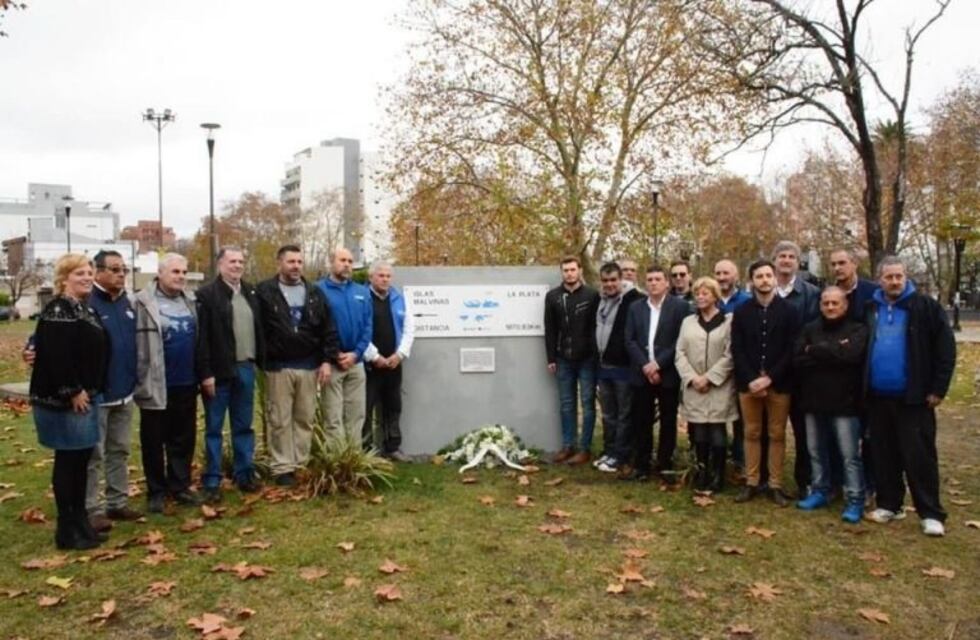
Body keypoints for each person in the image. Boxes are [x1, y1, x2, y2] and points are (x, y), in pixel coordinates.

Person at [864, 256, 955, 537]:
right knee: (883, 453)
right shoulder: (871, 308)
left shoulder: (925, 307)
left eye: (899, 276)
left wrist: (938, 389)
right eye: (889, 277)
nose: (894, 281)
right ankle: (889, 504)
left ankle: (930, 512)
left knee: (919, 456)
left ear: (905, 278)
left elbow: (945, 350)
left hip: (914, 398)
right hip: (878, 396)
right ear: (880, 279)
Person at [30, 254, 108, 549]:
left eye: (89, 272)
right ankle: (67, 528)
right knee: (68, 461)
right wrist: (73, 390)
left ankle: (80, 522)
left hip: (86, 397)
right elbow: (56, 355)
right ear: (64, 278)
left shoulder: (83, 309)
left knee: (80, 462)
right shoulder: (59, 309)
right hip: (65, 401)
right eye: (79, 273)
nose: (87, 277)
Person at [257, 245, 339, 486]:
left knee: (304, 418)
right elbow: (258, 329)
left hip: (309, 366)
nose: (296, 266)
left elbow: (328, 329)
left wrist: (326, 360)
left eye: (299, 262)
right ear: (279, 263)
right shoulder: (264, 292)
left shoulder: (314, 293)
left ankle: (300, 463)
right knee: (280, 419)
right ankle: (283, 467)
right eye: (291, 261)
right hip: (278, 367)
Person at [792, 287, 869, 523]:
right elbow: (797, 359)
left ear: (845, 305)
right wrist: (835, 351)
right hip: (813, 401)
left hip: (844, 403)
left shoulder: (857, 328)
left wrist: (814, 350)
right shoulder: (810, 328)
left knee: (849, 455)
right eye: (826, 303)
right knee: (815, 451)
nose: (830, 307)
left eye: (835, 303)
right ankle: (820, 490)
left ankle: (855, 498)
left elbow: (852, 356)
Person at [134, 253, 202, 513]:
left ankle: (180, 485)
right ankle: (156, 491)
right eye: (175, 272)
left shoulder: (191, 301)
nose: (181, 277)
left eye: (184, 273)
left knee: (183, 438)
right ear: (160, 273)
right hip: (155, 383)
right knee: (153, 441)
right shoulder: (141, 302)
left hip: (186, 382)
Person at [196, 247, 265, 503]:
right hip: (218, 372)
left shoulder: (250, 293)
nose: (237, 265)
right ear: (220, 265)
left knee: (243, 426)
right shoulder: (207, 295)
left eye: (241, 261)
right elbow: (201, 339)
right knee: (214, 428)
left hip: (246, 368)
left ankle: (244, 473)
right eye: (232, 261)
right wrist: (206, 373)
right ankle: (212, 480)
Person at [731, 259, 799, 506]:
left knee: (777, 434)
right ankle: (751, 482)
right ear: (752, 281)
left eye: (768, 275)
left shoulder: (790, 311)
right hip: (748, 384)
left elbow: (792, 349)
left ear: (774, 278)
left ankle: (775, 484)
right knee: (751, 432)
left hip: (778, 383)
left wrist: (769, 378)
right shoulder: (742, 311)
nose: (764, 280)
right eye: (759, 276)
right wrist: (752, 379)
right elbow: (737, 348)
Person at [624, 265, 690, 482]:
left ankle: (664, 464)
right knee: (641, 420)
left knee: (668, 421)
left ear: (666, 283)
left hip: (667, 373)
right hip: (641, 373)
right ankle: (642, 465)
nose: (653, 283)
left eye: (657, 279)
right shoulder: (635, 307)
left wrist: (658, 365)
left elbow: (679, 340)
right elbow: (630, 340)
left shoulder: (679, 307)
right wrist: (646, 366)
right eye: (650, 279)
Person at [675, 277, 738, 492]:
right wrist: (693, 378)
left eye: (706, 293)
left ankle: (718, 475)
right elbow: (680, 353)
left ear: (715, 296)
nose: (701, 297)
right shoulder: (688, 322)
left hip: (719, 385)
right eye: (698, 293)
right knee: (699, 430)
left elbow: (730, 354)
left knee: (717, 430)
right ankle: (701, 471)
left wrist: (710, 378)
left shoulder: (729, 321)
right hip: (694, 385)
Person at [772, 240, 820, 497]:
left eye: (791, 256)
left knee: (803, 432)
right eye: (782, 256)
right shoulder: (765, 290)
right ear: (775, 261)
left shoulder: (811, 294)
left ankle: (806, 481)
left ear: (798, 261)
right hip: (770, 376)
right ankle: (769, 480)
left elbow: (810, 332)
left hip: (800, 375)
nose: (786, 260)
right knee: (771, 430)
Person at [544, 256, 600, 464]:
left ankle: (585, 448)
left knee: (587, 404)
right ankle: (568, 445)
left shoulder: (592, 295)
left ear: (580, 271)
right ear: (561, 272)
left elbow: (597, 327)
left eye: (572, 269)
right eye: (565, 270)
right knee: (567, 404)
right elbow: (549, 329)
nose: (569, 273)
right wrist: (551, 357)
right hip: (563, 358)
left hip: (587, 359)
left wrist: (596, 356)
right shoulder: (553, 297)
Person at [317, 247, 373, 450]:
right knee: (333, 417)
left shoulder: (361, 292)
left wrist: (356, 353)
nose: (347, 264)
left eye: (350, 261)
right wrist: (333, 354)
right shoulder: (318, 291)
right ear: (331, 262)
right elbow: (315, 327)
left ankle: (354, 460)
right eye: (342, 260)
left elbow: (368, 326)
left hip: (356, 363)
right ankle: (337, 461)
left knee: (356, 414)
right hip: (332, 364)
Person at [593, 262, 644, 473]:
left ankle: (621, 455)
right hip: (603, 366)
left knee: (624, 414)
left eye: (613, 280)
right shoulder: (601, 300)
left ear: (621, 278)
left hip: (623, 367)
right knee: (607, 414)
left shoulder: (635, 300)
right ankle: (609, 451)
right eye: (605, 281)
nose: (610, 284)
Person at [363, 260, 416, 461]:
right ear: (371, 277)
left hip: (394, 363)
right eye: (381, 275)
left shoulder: (399, 298)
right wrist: (375, 356)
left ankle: (391, 448)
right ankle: (366, 451)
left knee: (393, 406)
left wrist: (400, 354)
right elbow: (360, 330)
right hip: (370, 364)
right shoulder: (362, 298)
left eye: (388, 276)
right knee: (367, 408)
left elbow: (410, 328)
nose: (385, 279)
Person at [714, 258, 753, 474]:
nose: (721, 278)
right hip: (714, 369)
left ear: (736, 276)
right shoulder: (710, 300)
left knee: (742, 418)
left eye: (725, 273)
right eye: (718, 273)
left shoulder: (747, 301)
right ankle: (716, 458)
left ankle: (741, 460)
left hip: (740, 369)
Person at [830, 249, 877, 323]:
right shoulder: (827, 295)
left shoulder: (874, 291)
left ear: (855, 264)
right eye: (833, 264)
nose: (836, 268)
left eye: (842, 263)